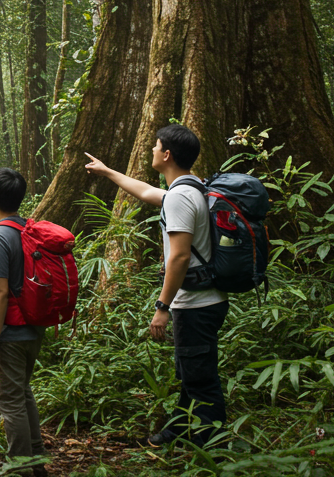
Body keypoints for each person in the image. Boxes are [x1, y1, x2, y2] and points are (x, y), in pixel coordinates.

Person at [85, 124, 228, 447]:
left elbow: (179, 257)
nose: (152, 149)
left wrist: (161, 307)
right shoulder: (192, 188)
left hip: (196, 304)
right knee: (191, 373)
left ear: (167, 155)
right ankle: (178, 429)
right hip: (207, 299)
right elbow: (149, 193)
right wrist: (107, 172)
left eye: (156, 145)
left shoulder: (180, 197)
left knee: (201, 381)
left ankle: (214, 449)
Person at [0, 168, 49, 477]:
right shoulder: (28, 229)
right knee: (22, 393)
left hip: (12, 333)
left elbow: (0, 292)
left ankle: (20, 469)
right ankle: (36, 461)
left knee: (10, 402)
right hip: (35, 328)